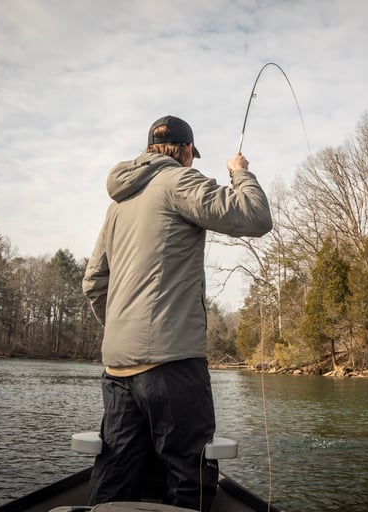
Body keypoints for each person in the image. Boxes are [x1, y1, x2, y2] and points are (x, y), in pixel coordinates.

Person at [82, 115, 272, 510]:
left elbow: (93, 283)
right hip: (172, 364)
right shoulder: (180, 180)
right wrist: (240, 173)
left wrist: (121, 331)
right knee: (188, 471)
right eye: (191, 154)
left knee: (116, 472)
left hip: (117, 367)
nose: (190, 160)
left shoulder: (117, 205)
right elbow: (254, 216)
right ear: (186, 151)